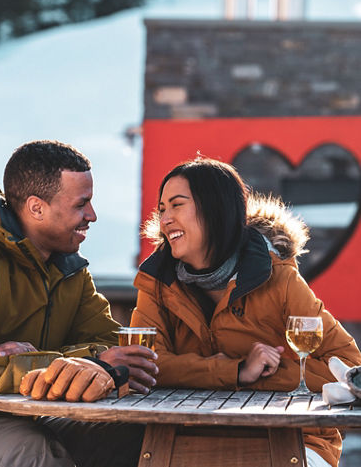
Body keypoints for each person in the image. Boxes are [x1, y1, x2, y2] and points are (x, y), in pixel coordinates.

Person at [131, 157, 361, 467]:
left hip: (294, 441)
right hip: (190, 441)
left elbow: (351, 369)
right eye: (162, 209)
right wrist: (236, 370)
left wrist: (267, 372)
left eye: (177, 205)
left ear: (215, 209)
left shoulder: (278, 278)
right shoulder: (158, 282)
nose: (165, 219)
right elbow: (144, 367)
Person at [0, 140, 158, 467]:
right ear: (36, 207)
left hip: (30, 411)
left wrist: (75, 361)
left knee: (132, 436)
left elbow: (107, 345)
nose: (92, 215)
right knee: (30, 451)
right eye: (81, 204)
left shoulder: (69, 267)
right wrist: (63, 367)